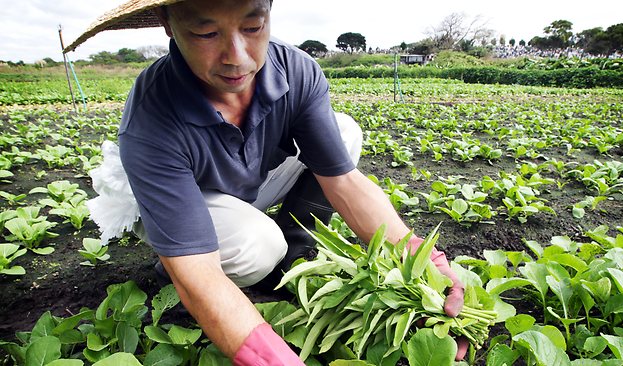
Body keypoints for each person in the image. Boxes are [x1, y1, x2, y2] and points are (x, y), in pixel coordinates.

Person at [66, 0, 466, 364]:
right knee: (256, 247)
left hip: (243, 180)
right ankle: (171, 263)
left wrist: (425, 263)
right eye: (206, 34)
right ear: (166, 23)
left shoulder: (295, 70)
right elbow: (201, 274)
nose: (237, 57)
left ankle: (291, 258)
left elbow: (343, 181)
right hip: (171, 200)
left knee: (342, 134)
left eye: (253, 26)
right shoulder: (151, 119)